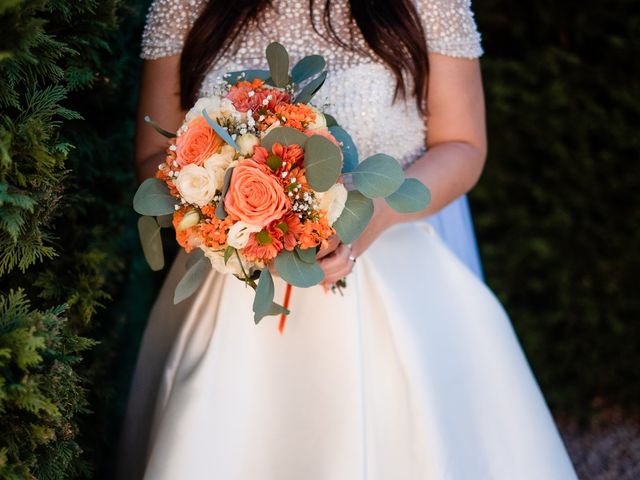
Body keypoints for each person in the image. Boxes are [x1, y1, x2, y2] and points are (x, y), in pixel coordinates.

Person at [117, 0, 578, 478]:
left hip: (399, 276)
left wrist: (371, 216)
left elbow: (462, 146)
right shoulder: (183, 6)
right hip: (234, 291)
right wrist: (232, 211)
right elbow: (154, 155)